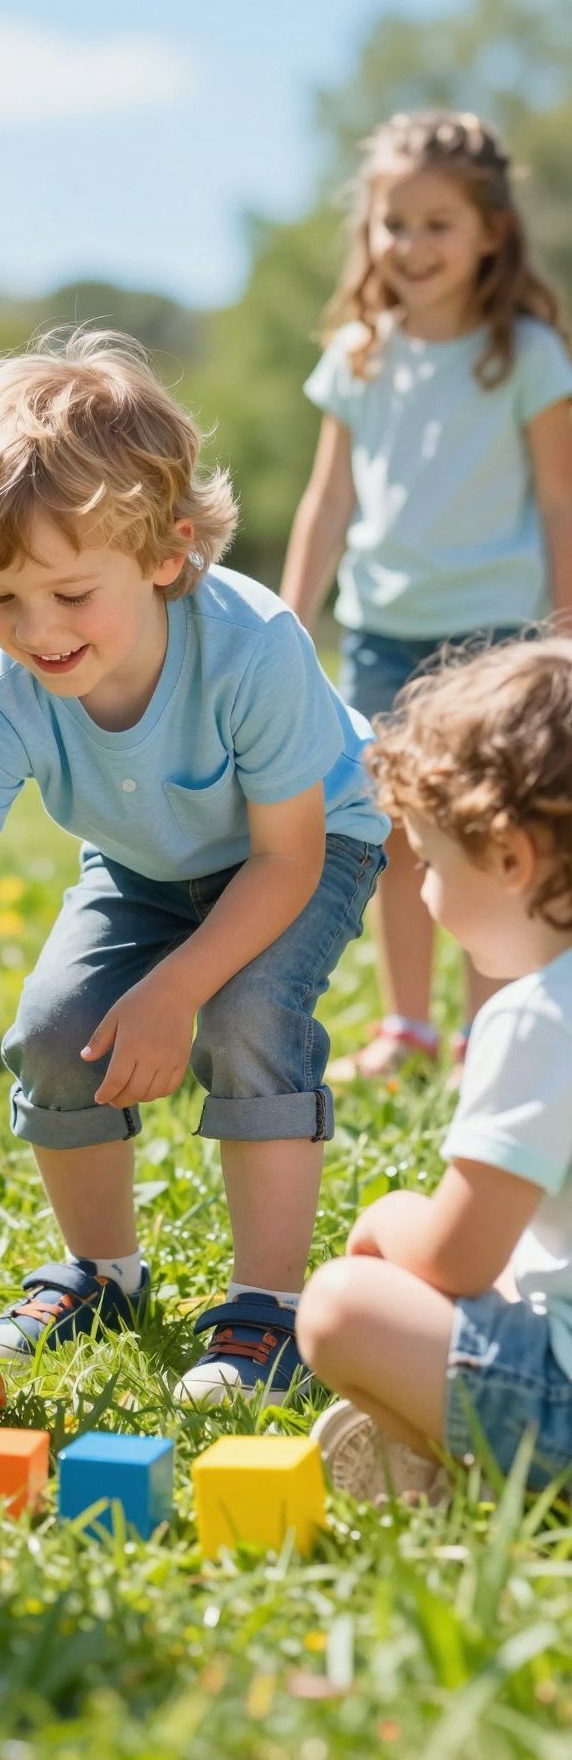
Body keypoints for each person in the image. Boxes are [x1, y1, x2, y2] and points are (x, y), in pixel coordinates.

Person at [0, 331, 388, 1405]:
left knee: (247, 1015)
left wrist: (176, 987)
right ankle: (101, 1272)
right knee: (53, 1026)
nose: (34, 631)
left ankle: (267, 1308)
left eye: (71, 594)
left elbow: (286, 857)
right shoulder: (0, 690)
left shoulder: (254, 647)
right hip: (142, 866)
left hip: (305, 844)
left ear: (167, 553)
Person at [281, 110, 572, 1083]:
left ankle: (492, 1033)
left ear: (491, 228)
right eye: (392, 222)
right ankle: (408, 1026)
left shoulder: (526, 352)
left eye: (437, 222)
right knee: (399, 837)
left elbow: (559, 496)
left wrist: (565, 631)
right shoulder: (360, 351)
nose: (411, 244)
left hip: (498, 636)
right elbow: (327, 502)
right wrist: (287, 620)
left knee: (494, 837)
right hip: (382, 635)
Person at [298, 639, 572, 1501]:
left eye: (429, 861)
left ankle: (486, 1476)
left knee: (342, 1305)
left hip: (557, 1398)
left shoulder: (537, 1019)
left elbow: (455, 1257)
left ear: (508, 858)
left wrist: (384, 1218)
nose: (419, 891)